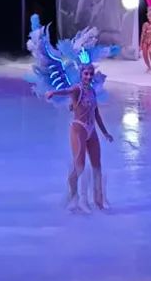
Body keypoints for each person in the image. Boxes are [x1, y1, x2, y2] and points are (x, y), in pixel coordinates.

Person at [26, 14, 119, 212]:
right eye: (86, 73)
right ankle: (75, 196)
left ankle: (99, 200)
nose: (88, 76)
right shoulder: (77, 88)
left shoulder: (92, 91)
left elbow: (96, 113)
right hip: (78, 129)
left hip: (92, 129)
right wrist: (53, 92)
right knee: (80, 164)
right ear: (81, 74)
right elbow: (66, 91)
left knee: (97, 164)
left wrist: (105, 133)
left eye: (90, 74)